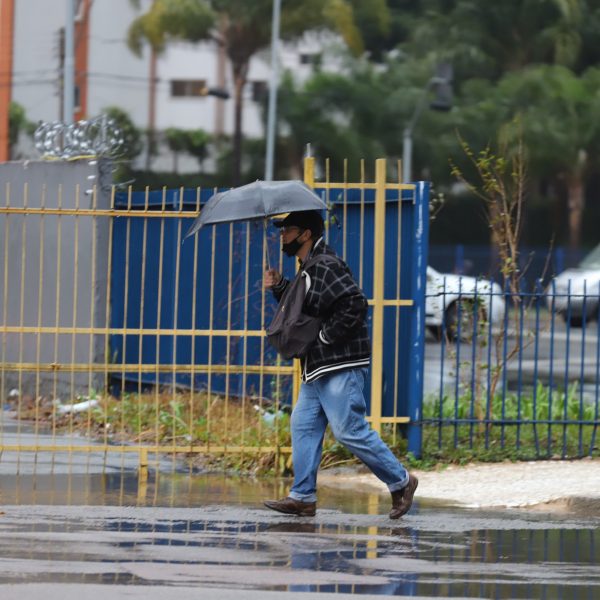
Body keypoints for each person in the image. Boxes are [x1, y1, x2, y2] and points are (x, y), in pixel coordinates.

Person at [262, 209, 418, 519]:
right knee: (303, 425)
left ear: (306, 234)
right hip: (318, 367)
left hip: (339, 364)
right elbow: (303, 309)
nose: (283, 235)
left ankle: (401, 481)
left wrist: (324, 337)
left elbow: (355, 304)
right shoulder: (309, 267)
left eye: (288, 230)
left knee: (349, 430)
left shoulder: (327, 265)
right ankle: (303, 497)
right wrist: (280, 286)